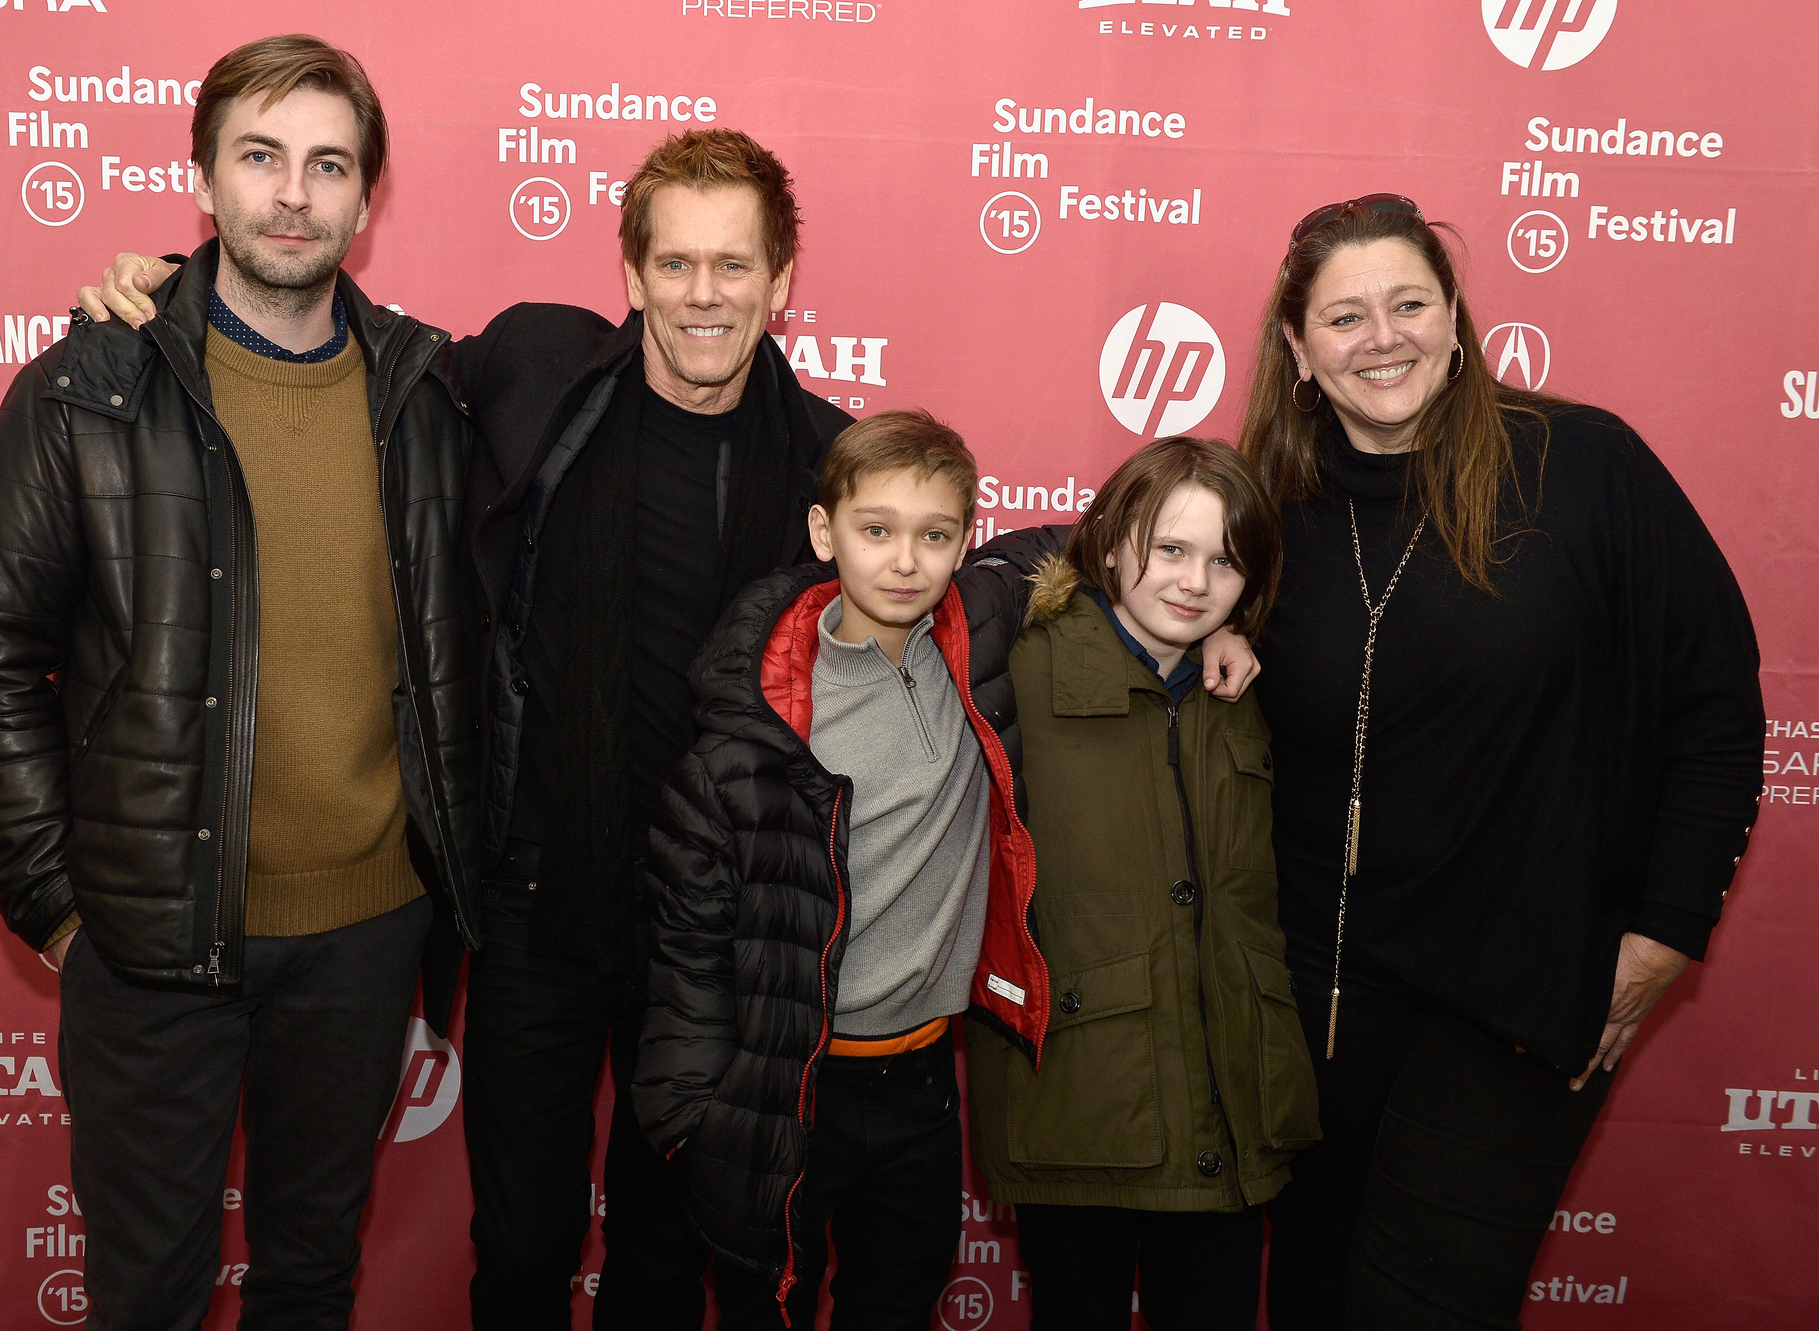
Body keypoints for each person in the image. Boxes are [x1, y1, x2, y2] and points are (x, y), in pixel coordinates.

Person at [77, 131, 1260, 1328]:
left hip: (716, 935)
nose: (705, 294)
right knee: (526, 1240)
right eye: (678, 264)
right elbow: (345, 356)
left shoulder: (826, 459)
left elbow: (996, 560)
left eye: (734, 266)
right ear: (632, 274)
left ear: (781, 280)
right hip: (539, 905)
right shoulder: (536, 368)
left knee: (666, 1247)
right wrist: (177, 295)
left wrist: (1199, 615)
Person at [0, 36, 476, 1331]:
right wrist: (64, 911)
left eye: (327, 164)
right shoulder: (89, 386)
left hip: (364, 934)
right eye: (260, 155)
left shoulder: (430, 390)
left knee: (309, 1277)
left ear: (366, 197)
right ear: (202, 175)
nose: (293, 192)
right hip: (148, 941)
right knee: (151, 1294)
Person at [1239, 195, 1765, 1329]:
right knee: (1315, 1291)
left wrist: (1670, 921)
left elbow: (1713, 702)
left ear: (1453, 315)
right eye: (1343, 316)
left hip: (1519, 983)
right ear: (1296, 349)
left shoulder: (1581, 465)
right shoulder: (1261, 509)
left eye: (1408, 303)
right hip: (1316, 992)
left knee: (1424, 1300)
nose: (1381, 336)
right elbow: (1118, 596)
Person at [635, 411, 1059, 1329]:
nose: (905, 561)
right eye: (876, 530)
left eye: (934, 534)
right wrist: (695, 1126)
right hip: (792, 1086)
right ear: (826, 533)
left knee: (897, 1308)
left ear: (965, 541)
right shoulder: (757, 727)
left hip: (923, 1085)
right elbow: (690, 948)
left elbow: (1101, 542)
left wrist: (1222, 631)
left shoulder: (978, 634)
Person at [965, 436, 1318, 1331]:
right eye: (1171, 549)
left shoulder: (1250, 682)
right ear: (1114, 540)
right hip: (1082, 1102)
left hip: (1234, 1108)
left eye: (1226, 562)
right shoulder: (1019, 662)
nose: (1195, 582)